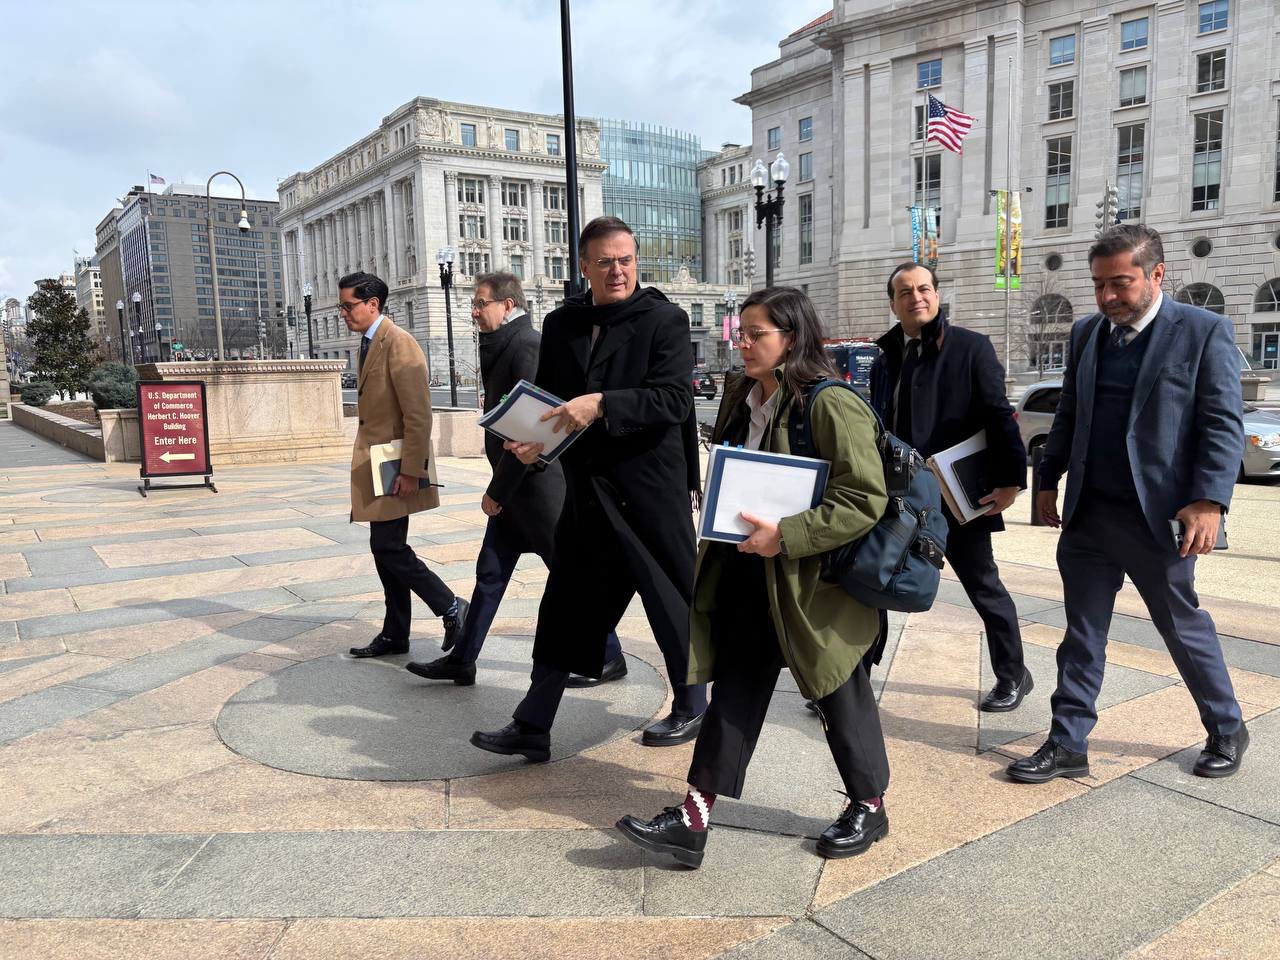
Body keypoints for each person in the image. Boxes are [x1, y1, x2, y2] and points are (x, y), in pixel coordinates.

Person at [616, 286, 891, 869]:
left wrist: (787, 536)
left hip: (813, 584)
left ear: (791, 338)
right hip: (749, 570)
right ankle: (693, 818)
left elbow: (864, 497)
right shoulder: (742, 394)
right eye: (740, 332)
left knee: (839, 688)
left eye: (755, 334)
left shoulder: (830, 403)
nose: (742, 343)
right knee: (736, 690)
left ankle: (869, 804)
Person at [1010, 224, 1248, 783]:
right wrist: (1049, 477)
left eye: (1121, 283)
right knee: (1082, 634)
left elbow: (1222, 424)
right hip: (1090, 512)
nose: (1108, 296)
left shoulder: (1204, 332)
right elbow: (1069, 410)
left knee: (1182, 628)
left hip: (1160, 519)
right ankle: (1068, 742)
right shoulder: (1088, 334)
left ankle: (1227, 727)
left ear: (1157, 274)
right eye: (1098, 285)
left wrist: (1210, 500)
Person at [470, 216, 707, 762]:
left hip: (650, 491)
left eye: (625, 259)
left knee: (670, 601)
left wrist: (602, 403)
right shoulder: (563, 325)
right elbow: (548, 403)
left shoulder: (664, 320)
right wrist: (532, 446)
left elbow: (673, 401)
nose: (617, 270)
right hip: (587, 494)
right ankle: (534, 723)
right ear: (584, 266)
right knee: (564, 609)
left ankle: (692, 703)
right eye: (605, 261)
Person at [405, 272, 622, 684]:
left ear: (507, 305)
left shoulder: (526, 344)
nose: (474, 311)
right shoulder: (503, 343)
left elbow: (532, 427)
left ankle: (610, 654)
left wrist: (497, 490)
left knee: (569, 577)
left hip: (537, 489)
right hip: (515, 489)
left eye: (480, 303)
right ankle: (462, 660)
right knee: (490, 573)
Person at [869, 264, 1031, 711]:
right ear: (894, 303)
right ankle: (855, 677)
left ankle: (1013, 675)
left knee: (983, 585)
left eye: (923, 289)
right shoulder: (886, 358)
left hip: (958, 496)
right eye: (904, 291)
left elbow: (1000, 415)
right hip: (898, 496)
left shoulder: (970, 348)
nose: (915, 297)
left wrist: (1011, 481)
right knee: (870, 580)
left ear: (937, 295)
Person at [342, 271, 468, 660]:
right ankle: (396, 633)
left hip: (396, 466)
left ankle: (451, 606)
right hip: (379, 463)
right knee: (385, 548)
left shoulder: (399, 343)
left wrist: (413, 470)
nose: (344, 313)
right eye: (342, 307)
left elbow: (419, 414)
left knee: (388, 546)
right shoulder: (369, 343)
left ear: (373, 304)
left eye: (349, 306)